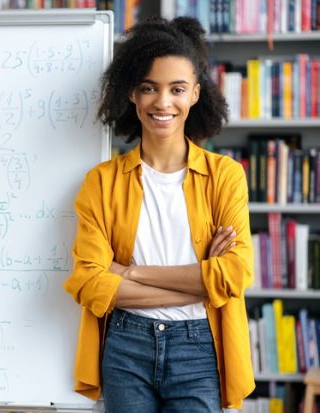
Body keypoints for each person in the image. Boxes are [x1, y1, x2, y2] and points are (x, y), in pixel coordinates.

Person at [63, 16, 255, 412]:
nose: (162, 102)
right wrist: (202, 282)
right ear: (132, 94)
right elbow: (89, 282)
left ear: (196, 95)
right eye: (149, 88)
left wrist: (128, 272)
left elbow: (235, 274)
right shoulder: (101, 182)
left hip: (199, 345)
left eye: (177, 89)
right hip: (125, 346)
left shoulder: (225, 176)